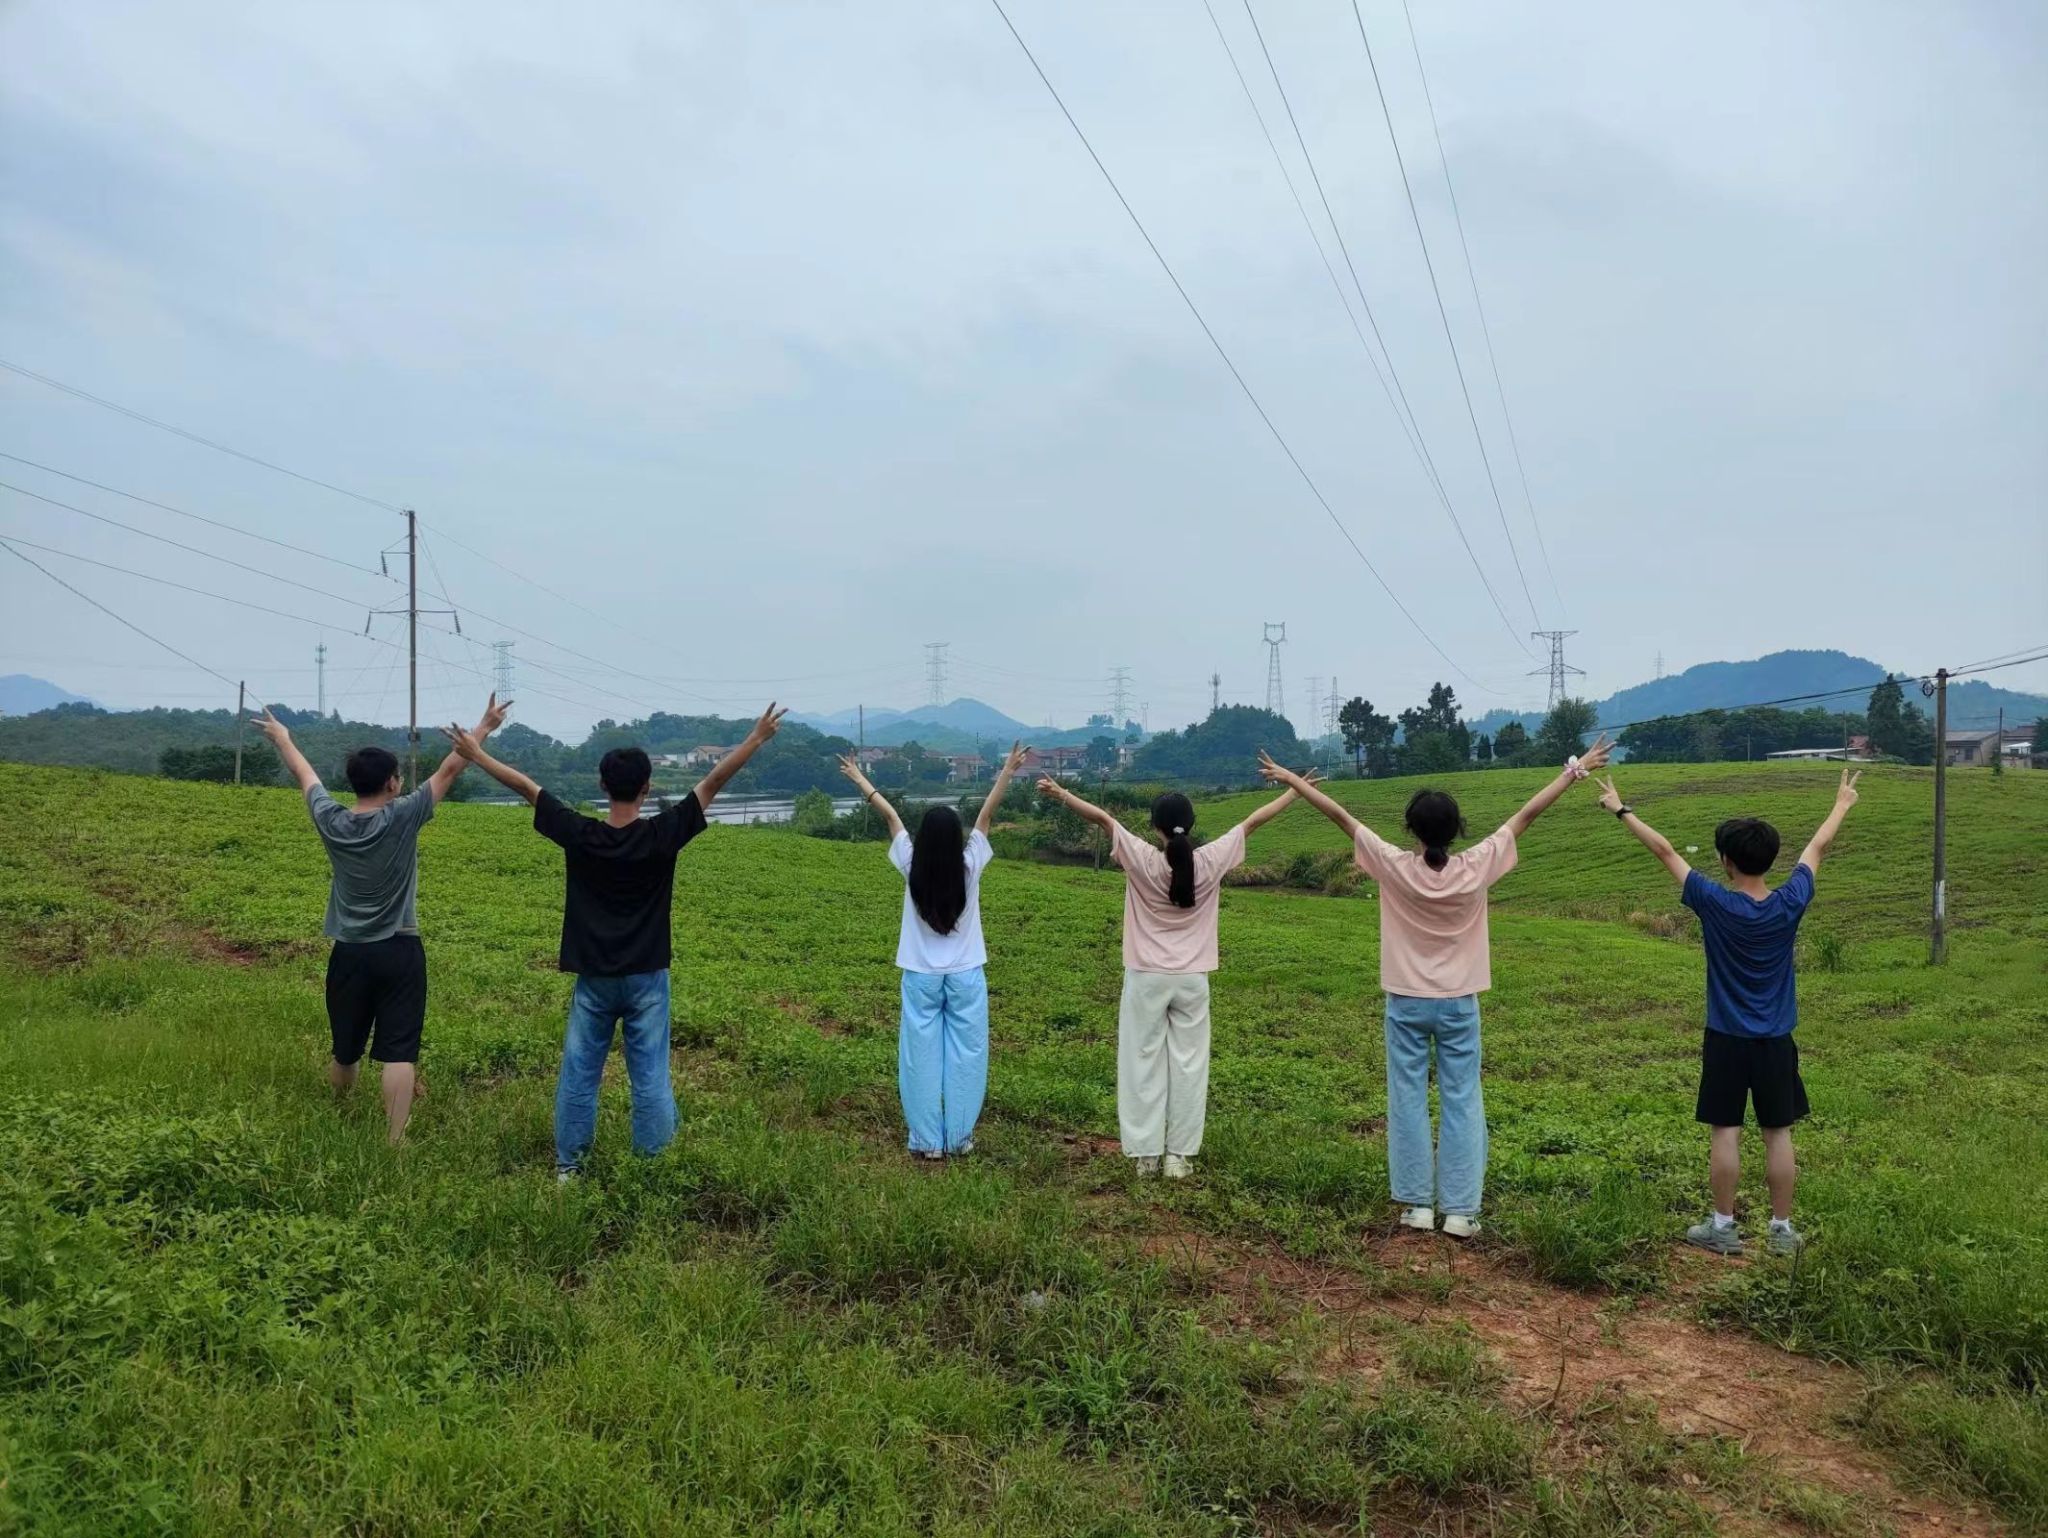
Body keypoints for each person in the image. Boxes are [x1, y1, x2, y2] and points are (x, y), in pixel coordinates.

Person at [1259, 737, 1612, 1238]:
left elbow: (1340, 817)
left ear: (1411, 830)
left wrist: (1293, 779)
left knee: (1406, 1097)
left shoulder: (1393, 865)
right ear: (1457, 828)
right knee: (1462, 1097)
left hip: (1406, 1001)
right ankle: (1461, 1212)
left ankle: (1417, 1206)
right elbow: (1527, 815)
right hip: (1459, 1003)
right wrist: (1576, 770)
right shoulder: (1476, 865)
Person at [444, 703, 788, 1176]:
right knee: (650, 1077)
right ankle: (651, 1167)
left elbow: (526, 788)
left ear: (602, 786)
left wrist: (476, 752)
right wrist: (756, 737)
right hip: (648, 976)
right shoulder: (662, 834)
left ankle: (570, 1168)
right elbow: (713, 782)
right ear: (647, 788)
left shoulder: (581, 834)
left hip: (594, 977)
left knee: (579, 1075)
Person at [1596, 766, 1861, 1256]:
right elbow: (1818, 847)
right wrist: (1842, 803)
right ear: (1770, 858)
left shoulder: (1714, 901)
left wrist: (1620, 809)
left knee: (1726, 1130)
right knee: (1778, 1133)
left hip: (1726, 1037)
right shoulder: (1790, 900)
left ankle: (1722, 1227)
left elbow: (1665, 851)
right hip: (1776, 1039)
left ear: (1725, 861)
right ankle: (1782, 1231)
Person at [254, 693, 511, 1145]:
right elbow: (450, 769)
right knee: (398, 1052)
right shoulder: (403, 816)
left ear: (354, 783)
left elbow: (305, 775)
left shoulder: (331, 820)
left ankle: (340, 1116)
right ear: (392, 784)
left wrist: (283, 738)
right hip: (399, 948)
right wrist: (484, 727)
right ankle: (396, 1141)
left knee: (345, 1049)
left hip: (349, 952)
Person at [1036, 774, 1305, 1178]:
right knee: (1189, 1066)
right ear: (1192, 824)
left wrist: (1061, 793)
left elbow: (1103, 819)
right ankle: (1179, 1158)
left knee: (1141, 1062)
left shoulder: (1143, 858)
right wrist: (1295, 790)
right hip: (1193, 978)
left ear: (1155, 827)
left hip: (1146, 976)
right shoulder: (1209, 860)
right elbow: (1252, 822)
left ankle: (1146, 1157)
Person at [837, 741, 1029, 1160]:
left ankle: (927, 1142)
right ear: (957, 838)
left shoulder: (911, 863)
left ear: (922, 838)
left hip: (921, 975)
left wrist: (859, 778)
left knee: (919, 1058)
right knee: (968, 1056)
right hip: (965, 975)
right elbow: (987, 814)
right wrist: (1008, 770)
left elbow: (890, 816)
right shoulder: (970, 864)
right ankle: (959, 1139)